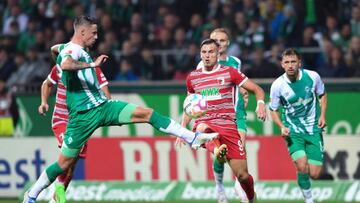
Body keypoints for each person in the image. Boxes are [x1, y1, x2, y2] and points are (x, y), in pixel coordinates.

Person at [23, 15, 218, 203]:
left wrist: (57, 53)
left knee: (147, 114)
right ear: (82, 32)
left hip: (103, 107)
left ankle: (191, 138)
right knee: (63, 164)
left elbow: (55, 49)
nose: (96, 37)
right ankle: (31, 195)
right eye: (94, 33)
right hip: (81, 118)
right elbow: (65, 64)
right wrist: (92, 63)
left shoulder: (68, 47)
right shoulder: (72, 51)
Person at [182, 38, 266, 203]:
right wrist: (183, 127)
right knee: (201, 129)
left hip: (228, 126)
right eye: (204, 52)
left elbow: (257, 89)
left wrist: (261, 104)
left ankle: (251, 198)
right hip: (205, 123)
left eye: (211, 52)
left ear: (217, 53)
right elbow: (189, 105)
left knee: (242, 176)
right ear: (200, 54)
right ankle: (216, 150)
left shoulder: (229, 72)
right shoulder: (192, 78)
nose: (207, 56)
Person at [38, 60, 110, 203]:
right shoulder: (60, 67)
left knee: (71, 165)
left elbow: (107, 96)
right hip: (61, 120)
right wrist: (44, 102)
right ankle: (43, 192)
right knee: (67, 159)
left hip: (81, 122)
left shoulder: (94, 70)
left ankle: (55, 198)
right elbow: (46, 84)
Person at [195, 28, 249, 203]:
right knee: (221, 154)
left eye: (222, 40)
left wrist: (243, 91)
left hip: (237, 113)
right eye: (214, 40)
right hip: (216, 116)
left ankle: (238, 184)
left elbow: (237, 81)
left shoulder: (236, 62)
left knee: (240, 149)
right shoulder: (202, 65)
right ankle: (219, 186)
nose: (218, 43)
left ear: (228, 43)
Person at [269, 48, 327, 203]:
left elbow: (322, 94)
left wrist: (322, 115)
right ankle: (309, 200)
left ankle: (307, 184)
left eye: (293, 62)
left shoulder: (313, 77)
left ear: (299, 63)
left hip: (313, 129)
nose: (290, 65)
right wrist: (281, 126)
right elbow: (273, 110)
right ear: (282, 64)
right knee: (302, 166)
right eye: (286, 62)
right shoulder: (278, 85)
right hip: (293, 131)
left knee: (314, 174)